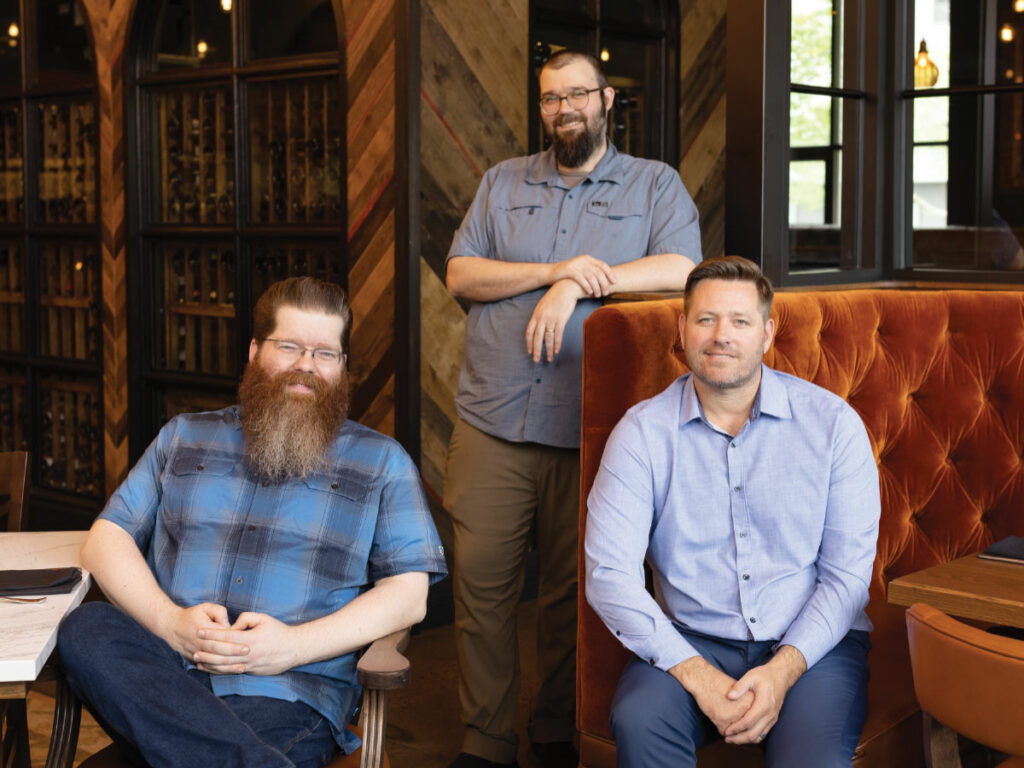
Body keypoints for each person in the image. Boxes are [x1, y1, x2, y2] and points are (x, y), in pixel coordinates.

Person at [58, 277, 447, 768]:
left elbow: (410, 594)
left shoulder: (381, 462)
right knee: (87, 626)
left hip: (286, 696)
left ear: (342, 366)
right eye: (290, 347)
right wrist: (171, 623)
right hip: (166, 681)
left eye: (326, 353)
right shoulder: (184, 437)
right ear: (255, 351)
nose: (306, 366)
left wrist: (289, 647)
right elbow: (104, 541)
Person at [444, 48, 703, 768]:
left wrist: (586, 285)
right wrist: (552, 271)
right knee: (482, 590)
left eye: (577, 95)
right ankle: (486, 741)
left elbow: (682, 269)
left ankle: (554, 733)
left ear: (608, 98)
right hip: (491, 423)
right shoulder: (502, 184)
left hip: (592, 431)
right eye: (552, 99)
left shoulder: (655, 186)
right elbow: (461, 272)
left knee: (572, 597)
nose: (564, 110)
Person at [585, 256, 880, 767]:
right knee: (639, 719)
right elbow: (609, 576)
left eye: (740, 321)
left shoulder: (834, 425)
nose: (721, 335)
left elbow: (847, 579)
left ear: (766, 334)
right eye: (706, 319)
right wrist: (698, 675)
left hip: (811, 645)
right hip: (688, 639)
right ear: (682, 329)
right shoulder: (641, 435)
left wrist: (782, 671)